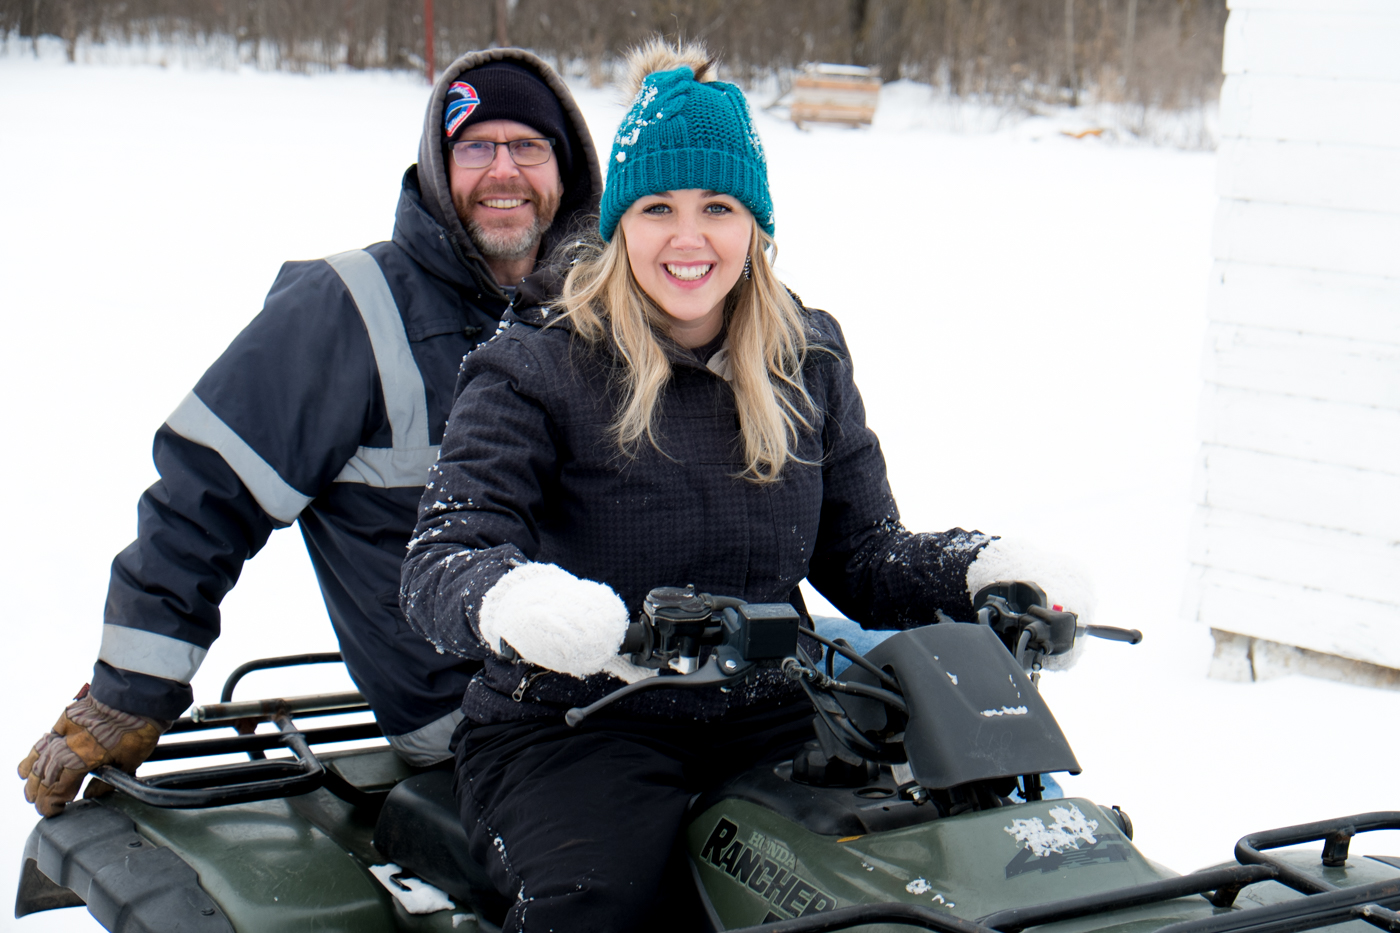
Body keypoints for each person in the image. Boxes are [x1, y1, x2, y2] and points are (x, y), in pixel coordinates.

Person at [400, 39, 1093, 931]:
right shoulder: (537, 363)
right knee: (599, 908)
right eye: (657, 208)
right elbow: (442, 556)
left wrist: (983, 570)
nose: (689, 239)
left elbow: (864, 554)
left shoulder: (803, 356)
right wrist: (520, 599)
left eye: (718, 206)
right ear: (618, 224)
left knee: (920, 870)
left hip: (771, 716)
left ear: (755, 225)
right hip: (575, 726)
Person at [18, 49, 602, 817]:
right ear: (437, 165)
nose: (504, 171)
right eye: (475, 148)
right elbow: (206, 494)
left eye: (528, 147)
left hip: (631, 679)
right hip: (478, 716)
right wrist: (131, 692)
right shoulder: (349, 309)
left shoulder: (605, 306)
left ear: (566, 171)